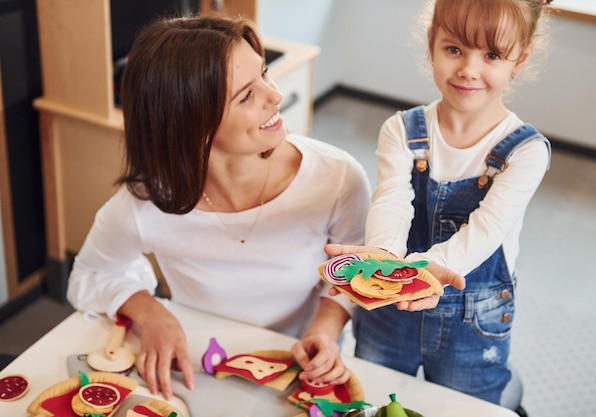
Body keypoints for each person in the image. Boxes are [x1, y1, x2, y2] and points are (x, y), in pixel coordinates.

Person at [66, 13, 371, 401]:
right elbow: (88, 275)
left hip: (301, 369)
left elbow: (353, 276)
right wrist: (149, 309)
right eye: (246, 95)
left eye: (264, 73)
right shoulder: (147, 202)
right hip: (197, 368)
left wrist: (323, 333)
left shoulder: (338, 177)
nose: (274, 95)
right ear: (190, 123)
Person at [327, 0, 553, 409]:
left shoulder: (526, 151)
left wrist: (422, 272)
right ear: (431, 43)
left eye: (491, 55)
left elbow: (486, 229)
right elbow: (393, 201)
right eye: (454, 50)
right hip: (388, 308)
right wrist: (382, 256)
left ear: (520, 58)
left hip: (474, 320)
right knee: (374, 401)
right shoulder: (400, 129)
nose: (469, 69)